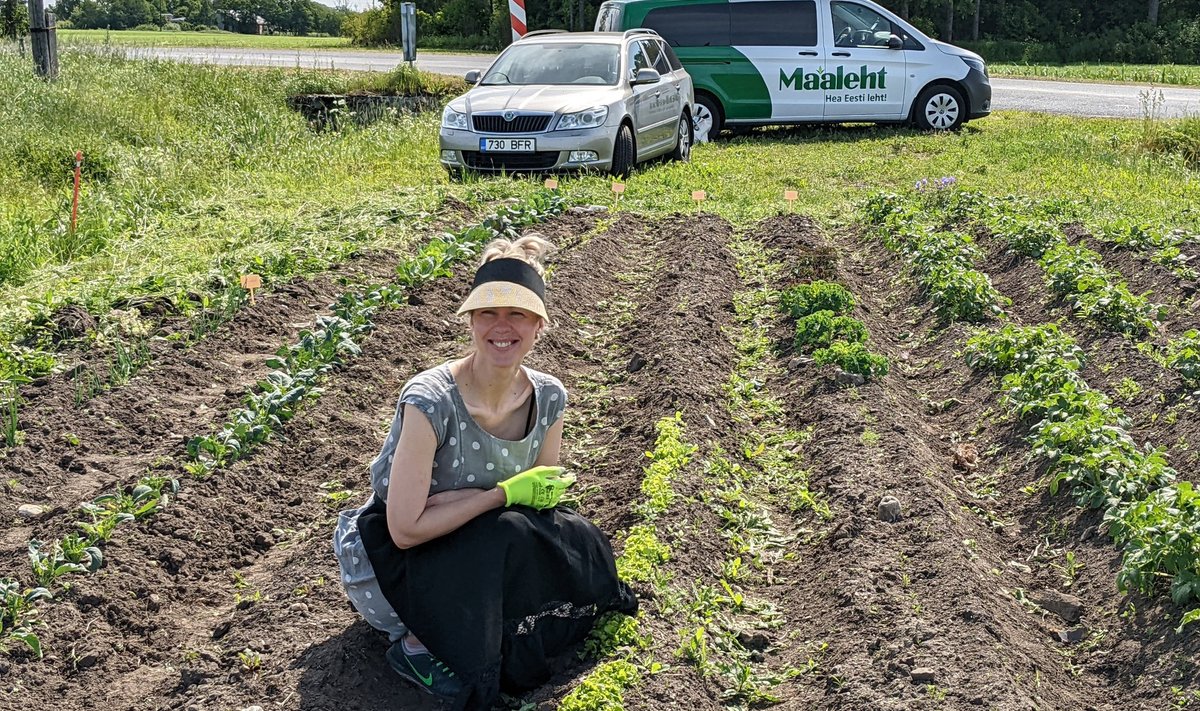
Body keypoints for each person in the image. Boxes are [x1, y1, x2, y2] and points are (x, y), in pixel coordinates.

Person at [333, 234, 637, 710]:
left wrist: (470, 502)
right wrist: (499, 494)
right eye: (488, 314)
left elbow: (540, 499)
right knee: (500, 535)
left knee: (575, 540)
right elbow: (406, 528)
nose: (502, 326)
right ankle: (415, 648)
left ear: (539, 325)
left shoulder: (549, 396)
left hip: (480, 540)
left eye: (517, 314)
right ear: (471, 322)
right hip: (400, 559)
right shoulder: (431, 400)